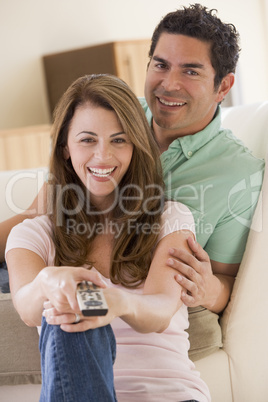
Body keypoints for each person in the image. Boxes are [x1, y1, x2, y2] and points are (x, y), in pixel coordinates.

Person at [1, 4, 265, 357]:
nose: (169, 84)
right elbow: (37, 215)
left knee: (72, 312)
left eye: (190, 71)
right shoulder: (113, 113)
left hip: (143, 306)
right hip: (50, 274)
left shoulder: (237, 173)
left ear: (223, 86)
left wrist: (208, 290)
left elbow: (228, 281)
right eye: (160, 65)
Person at [5, 74, 210, 402]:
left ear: (135, 145)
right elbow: (28, 307)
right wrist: (49, 281)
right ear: (65, 148)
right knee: (68, 305)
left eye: (119, 140)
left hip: (168, 394)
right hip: (78, 391)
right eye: (87, 140)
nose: (103, 157)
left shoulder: (169, 218)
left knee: (82, 304)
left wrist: (118, 303)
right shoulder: (32, 234)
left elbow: (160, 310)